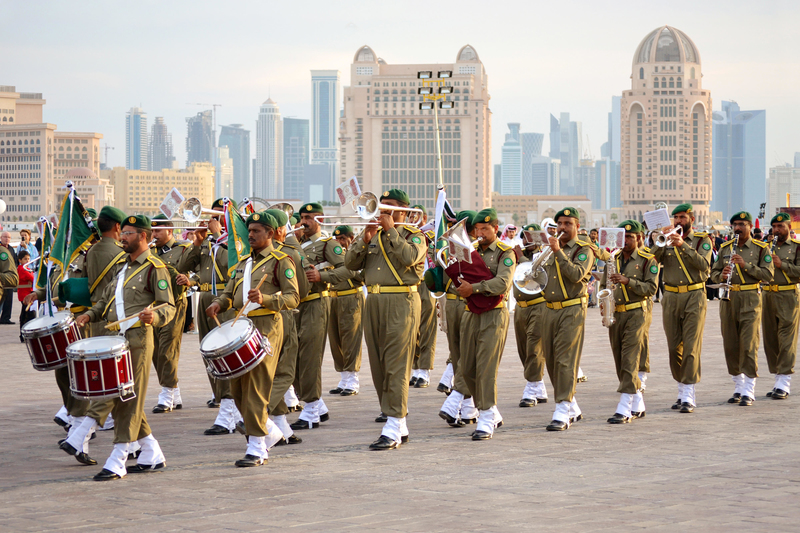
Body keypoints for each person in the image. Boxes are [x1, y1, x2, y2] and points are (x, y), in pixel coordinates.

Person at [75, 215, 176, 480]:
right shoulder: (124, 266)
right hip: (118, 342)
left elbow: (168, 306)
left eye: (128, 233)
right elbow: (107, 300)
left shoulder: (155, 267)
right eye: (123, 233)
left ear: (143, 236)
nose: (123, 237)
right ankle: (152, 452)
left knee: (127, 400)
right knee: (127, 398)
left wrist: (154, 317)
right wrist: (90, 314)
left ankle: (118, 458)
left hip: (139, 340)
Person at [206, 211, 299, 466]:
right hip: (239, 325)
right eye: (250, 231)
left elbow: (293, 298)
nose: (251, 235)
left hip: (266, 325)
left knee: (256, 387)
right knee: (237, 388)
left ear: (270, 233)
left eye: (257, 231)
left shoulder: (282, 261)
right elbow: (228, 293)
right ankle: (270, 434)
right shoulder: (244, 263)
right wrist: (217, 303)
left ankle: (257, 447)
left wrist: (266, 299)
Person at [344, 189, 426, 450]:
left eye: (389, 207)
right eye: (381, 206)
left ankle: (394, 422)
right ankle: (395, 420)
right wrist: (364, 238)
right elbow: (350, 264)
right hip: (374, 301)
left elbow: (411, 258)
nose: (383, 211)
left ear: (404, 210)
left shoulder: (415, 235)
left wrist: (391, 231)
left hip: (401, 301)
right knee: (378, 364)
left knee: (396, 363)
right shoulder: (373, 236)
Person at [291, 203, 355, 430]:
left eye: (310, 217)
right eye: (302, 217)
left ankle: (310, 412)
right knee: (294, 359)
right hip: (295, 307)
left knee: (309, 357)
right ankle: (317, 404)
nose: (304, 221)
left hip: (316, 304)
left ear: (321, 220)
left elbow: (349, 269)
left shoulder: (328, 244)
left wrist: (322, 275)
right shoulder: (294, 242)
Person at [177, 199, 239, 434]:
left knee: (225, 353)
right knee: (209, 352)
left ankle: (229, 407)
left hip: (224, 299)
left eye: (218, 216)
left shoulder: (232, 242)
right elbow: (184, 265)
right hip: (204, 298)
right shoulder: (208, 242)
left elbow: (230, 265)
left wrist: (220, 236)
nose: (213, 220)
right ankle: (221, 398)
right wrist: (197, 242)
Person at [454, 208, 515, 440]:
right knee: (467, 368)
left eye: (485, 229)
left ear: (495, 229)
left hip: (494, 314)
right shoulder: (470, 252)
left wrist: (475, 288)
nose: (480, 233)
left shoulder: (504, 253)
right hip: (471, 313)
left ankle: (487, 415)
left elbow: (502, 283)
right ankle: (492, 411)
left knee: (486, 368)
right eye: (477, 229)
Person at [652, 204, 713, 413]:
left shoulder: (702, 240)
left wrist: (682, 245)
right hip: (670, 296)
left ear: (692, 219)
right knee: (673, 347)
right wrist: (661, 240)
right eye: (675, 217)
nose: (678, 221)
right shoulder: (665, 238)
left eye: (682, 217)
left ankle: (689, 393)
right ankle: (681, 387)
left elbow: (704, 266)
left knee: (691, 345)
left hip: (694, 295)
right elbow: (651, 260)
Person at [710, 211, 773, 406]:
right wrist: (722, 275)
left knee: (748, 344)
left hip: (750, 298)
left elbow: (768, 275)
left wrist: (745, 266)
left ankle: (749, 389)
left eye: (742, 224)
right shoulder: (725, 248)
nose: (738, 228)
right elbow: (713, 273)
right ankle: (738, 385)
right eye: (735, 224)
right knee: (731, 344)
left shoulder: (761, 248)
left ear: (749, 227)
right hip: (729, 298)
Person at [540, 207, 594, 431]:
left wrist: (558, 253)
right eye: (560, 224)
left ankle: (562, 410)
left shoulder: (584, 249)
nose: (562, 228)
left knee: (565, 360)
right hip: (549, 309)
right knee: (551, 361)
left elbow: (576, 275)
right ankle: (572, 405)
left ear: (577, 227)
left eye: (567, 224)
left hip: (572, 309)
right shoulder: (551, 248)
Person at [599, 221, 658, 424]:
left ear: (640, 238)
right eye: (624, 237)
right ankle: (638, 403)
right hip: (617, 313)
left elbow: (651, 288)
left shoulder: (647, 260)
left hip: (637, 312)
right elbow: (604, 284)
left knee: (630, 358)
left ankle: (624, 407)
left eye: (631, 237)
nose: (626, 242)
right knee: (619, 358)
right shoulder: (613, 258)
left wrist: (627, 281)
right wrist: (603, 303)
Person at [265, 207, 309, 446]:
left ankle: (281, 426)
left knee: (272, 369)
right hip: (283, 315)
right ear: (282, 230)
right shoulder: (289, 251)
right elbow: (301, 288)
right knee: (286, 371)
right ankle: (258, 413)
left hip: (261, 317)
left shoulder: (256, 253)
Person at [438, 210, 481, 425]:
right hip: (457, 302)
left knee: (466, 355)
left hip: (465, 302)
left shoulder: (474, 249)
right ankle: (464, 405)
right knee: (459, 355)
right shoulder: (457, 249)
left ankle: (465, 406)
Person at [149, 214, 190, 413]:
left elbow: (200, 268)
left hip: (175, 304)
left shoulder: (183, 249)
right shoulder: (149, 252)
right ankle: (174, 390)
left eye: (158, 230)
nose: (154, 234)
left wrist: (192, 279)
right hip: (154, 307)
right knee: (156, 352)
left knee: (167, 349)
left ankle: (166, 394)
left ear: (170, 231)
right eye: (152, 230)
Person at [762, 213, 800, 399]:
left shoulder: (796, 248)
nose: (777, 230)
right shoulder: (765, 247)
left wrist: (783, 265)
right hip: (767, 295)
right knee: (771, 340)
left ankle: (784, 383)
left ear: (789, 228)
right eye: (775, 227)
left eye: (781, 227)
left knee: (786, 339)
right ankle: (778, 378)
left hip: (788, 294)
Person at [327, 225, 365, 396]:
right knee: (336, 340)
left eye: (343, 239)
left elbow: (362, 276)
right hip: (333, 297)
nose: (340, 242)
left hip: (351, 297)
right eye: (337, 239)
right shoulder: (332, 254)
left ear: (351, 238)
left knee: (351, 339)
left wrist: (346, 263)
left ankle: (353, 379)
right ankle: (343, 377)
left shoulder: (357, 255)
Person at [514, 223, 549, 407]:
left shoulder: (544, 255)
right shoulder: (518, 255)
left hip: (538, 306)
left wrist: (519, 257)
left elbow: (532, 274)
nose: (526, 241)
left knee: (534, 347)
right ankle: (539, 386)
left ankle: (530, 388)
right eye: (524, 237)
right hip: (520, 307)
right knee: (524, 349)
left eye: (530, 238)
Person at [411, 207, 437, 388]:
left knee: (427, 326)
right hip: (411, 283)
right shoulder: (407, 235)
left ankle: (425, 370)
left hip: (427, 283)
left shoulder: (432, 236)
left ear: (424, 218)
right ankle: (414, 368)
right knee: (412, 328)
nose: (412, 218)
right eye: (410, 215)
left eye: (416, 215)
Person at [16, 250, 36, 342]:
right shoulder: (22, 269)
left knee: (24, 314)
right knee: (29, 315)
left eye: (28, 259)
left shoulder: (25, 268)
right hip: (25, 295)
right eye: (25, 259)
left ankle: (23, 335)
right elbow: (33, 278)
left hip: (25, 294)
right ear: (20, 260)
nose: (27, 261)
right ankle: (26, 334)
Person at [0, 231, 19, 324]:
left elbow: (15, 262)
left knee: (9, 299)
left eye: (8, 237)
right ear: (1, 238)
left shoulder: (11, 249)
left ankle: (6, 318)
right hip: (2, 277)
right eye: (5, 237)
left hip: (9, 277)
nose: (7, 239)